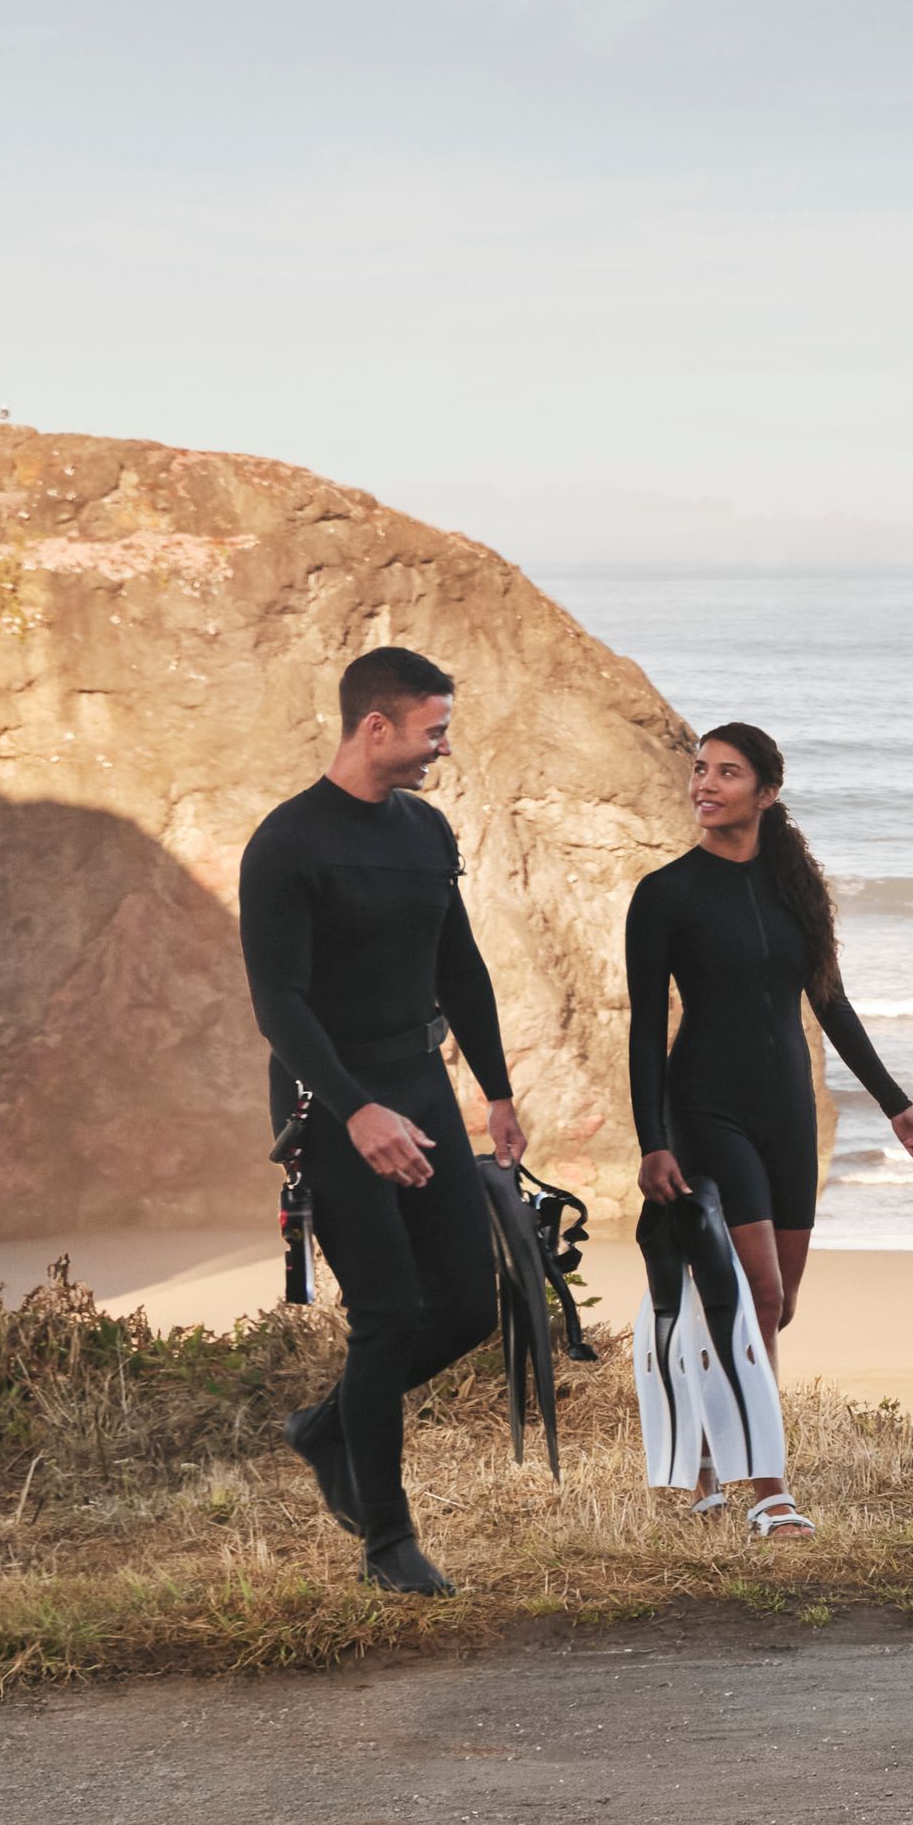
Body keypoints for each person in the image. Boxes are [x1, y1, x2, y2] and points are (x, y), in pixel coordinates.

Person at [240, 646, 526, 1599]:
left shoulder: (426, 832)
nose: (442, 749)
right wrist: (357, 1111)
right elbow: (279, 1005)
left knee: (466, 1307)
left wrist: (496, 1091)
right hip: (329, 1101)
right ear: (376, 727)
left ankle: (325, 1431)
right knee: (389, 1315)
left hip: (421, 1085)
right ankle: (387, 1539)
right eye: (431, 731)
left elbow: (462, 967)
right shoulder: (287, 844)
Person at [623, 716, 913, 1535]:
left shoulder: (795, 890)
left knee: (778, 1303)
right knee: (754, 1296)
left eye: (726, 774)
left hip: (786, 1113)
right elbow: (645, 1028)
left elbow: (829, 1003)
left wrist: (895, 1103)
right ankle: (768, 1489)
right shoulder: (665, 895)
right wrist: (653, 1140)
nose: (704, 785)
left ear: (766, 792)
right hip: (705, 1109)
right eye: (700, 770)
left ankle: (700, 1455)